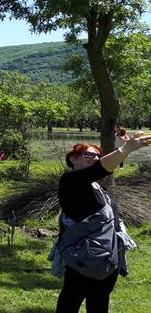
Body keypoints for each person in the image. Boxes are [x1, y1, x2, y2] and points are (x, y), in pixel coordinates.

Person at [54, 132, 151, 313]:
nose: (95, 158)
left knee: (99, 303)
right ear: (73, 159)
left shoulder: (96, 186)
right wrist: (125, 149)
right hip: (83, 256)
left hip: (107, 257)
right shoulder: (71, 181)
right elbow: (99, 168)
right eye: (89, 155)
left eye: (97, 155)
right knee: (70, 300)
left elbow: (102, 168)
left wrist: (119, 148)